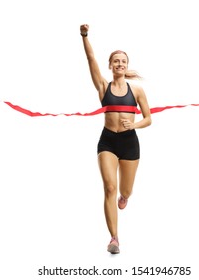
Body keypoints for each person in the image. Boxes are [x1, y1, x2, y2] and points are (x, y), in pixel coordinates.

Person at [80, 24, 152, 254]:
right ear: (110, 65)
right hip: (108, 142)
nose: (120, 64)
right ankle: (114, 238)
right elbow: (90, 58)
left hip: (130, 142)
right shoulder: (103, 86)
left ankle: (125, 196)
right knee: (109, 187)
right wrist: (84, 36)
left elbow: (148, 118)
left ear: (126, 65)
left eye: (123, 61)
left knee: (125, 190)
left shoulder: (137, 90)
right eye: (116, 61)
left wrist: (135, 124)